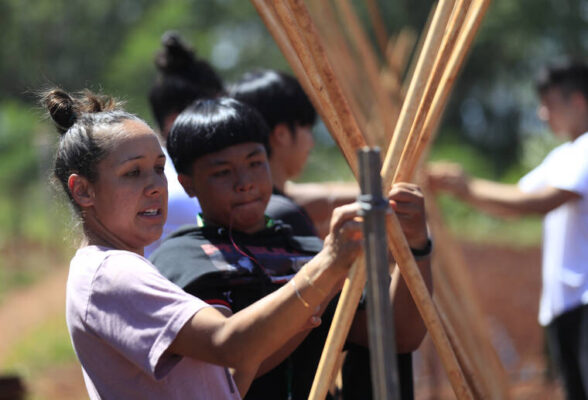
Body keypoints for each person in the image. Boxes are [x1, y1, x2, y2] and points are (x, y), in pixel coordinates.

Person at [46, 88, 368, 399]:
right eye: (133, 173)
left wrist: (302, 309)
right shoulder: (114, 272)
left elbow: (227, 377)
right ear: (83, 190)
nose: (156, 187)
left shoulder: (113, 268)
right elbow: (229, 344)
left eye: (159, 169)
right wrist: (326, 265)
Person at [150, 96, 433, 399]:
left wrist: (416, 245)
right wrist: (319, 284)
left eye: (255, 163)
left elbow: (398, 337)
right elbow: (224, 374)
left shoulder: (308, 249)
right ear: (188, 183)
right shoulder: (183, 258)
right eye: (222, 172)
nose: (244, 182)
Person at [428, 59, 588, 400]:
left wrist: (467, 188)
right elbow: (516, 197)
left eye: (549, 105)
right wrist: (459, 188)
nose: (544, 115)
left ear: (578, 101)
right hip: (567, 304)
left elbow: (537, 203)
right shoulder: (565, 156)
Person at [145, 30, 225, 256]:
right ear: (175, 120)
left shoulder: (160, 171)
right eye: (217, 111)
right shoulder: (177, 197)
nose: (228, 119)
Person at [228, 69, 320, 236]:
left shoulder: (234, 208)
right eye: (306, 128)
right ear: (281, 134)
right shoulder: (284, 216)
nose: (311, 142)